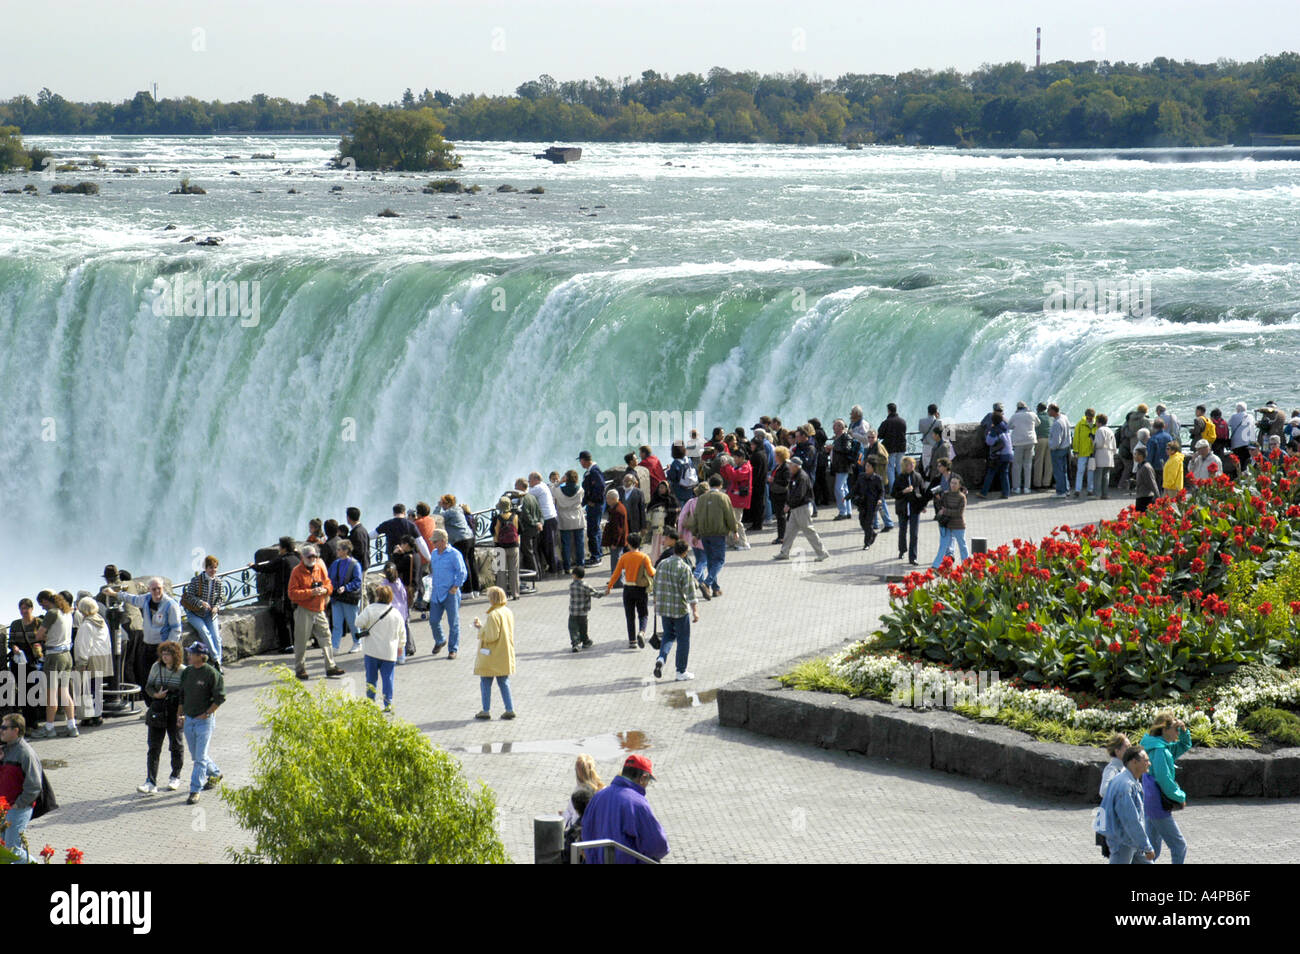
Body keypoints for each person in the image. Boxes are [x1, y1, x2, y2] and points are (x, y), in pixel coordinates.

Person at [581, 754, 669, 864]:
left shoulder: (598, 797)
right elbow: (658, 845)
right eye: (648, 782)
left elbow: (586, 831)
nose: (647, 785)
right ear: (643, 778)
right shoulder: (637, 803)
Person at [287, 545, 345, 681]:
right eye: (309, 557)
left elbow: (328, 584)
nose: (312, 559)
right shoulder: (297, 571)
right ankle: (300, 669)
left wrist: (325, 590)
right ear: (303, 558)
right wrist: (310, 592)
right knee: (301, 641)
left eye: (314, 556)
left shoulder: (319, 567)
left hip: (319, 609)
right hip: (304, 610)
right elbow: (292, 594)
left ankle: (330, 667)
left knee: (326, 637)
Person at [1139, 713, 1191, 864]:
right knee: (1179, 846)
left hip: (1150, 801)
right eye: (1175, 728)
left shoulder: (1159, 746)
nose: (1177, 732)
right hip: (1157, 804)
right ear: (1164, 729)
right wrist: (1180, 796)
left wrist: (1183, 730)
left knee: (1152, 848)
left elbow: (1184, 745)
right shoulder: (1161, 751)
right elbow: (1163, 779)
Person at [177, 641, 224, 805]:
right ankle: (215, 773)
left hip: (204, 721)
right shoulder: (187, 672)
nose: (188, 656)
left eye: (191, 653)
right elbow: (182, 694)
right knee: (197, 755)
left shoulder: (211, 674)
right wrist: (180, 714)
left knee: (199, 758)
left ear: (200, 656)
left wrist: (207, 713)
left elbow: (220, 697)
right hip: (189, 719)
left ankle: (195, 790)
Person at [139, 640, 185, 794]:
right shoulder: (156, 667)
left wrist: (182, 713)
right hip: (158, 710)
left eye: (168, 654)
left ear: (175, 655)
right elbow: (148, 686)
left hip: (175, 711)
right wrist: (155, 695)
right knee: (154, 747)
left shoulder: (183, 671)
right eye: (163, 654)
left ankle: (175, 776)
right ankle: (150, 781)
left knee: (176, 745)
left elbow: (185, 694)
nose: (165, 657)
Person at [31, 591, 77, 739]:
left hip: (54, 657)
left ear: (46, 601)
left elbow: (38, 636)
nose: (42, 608)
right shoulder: (67, 612)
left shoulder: (52, 613)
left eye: (41, 604)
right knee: (64, 692)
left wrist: (45, 635)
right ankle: (72, 726)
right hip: (67, 655)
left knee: (51, 695)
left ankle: (49, 728)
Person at [653, 540, 700, 681]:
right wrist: (695, 611)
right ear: (685, 552)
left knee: (668, 635)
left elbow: (655, 585)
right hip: (679, 609)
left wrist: (656, 602)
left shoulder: (662, 564)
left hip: (664, 608)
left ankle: (661, 658)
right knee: (683, 639)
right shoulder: (684, 568)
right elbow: (690, 592)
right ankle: (681, 671)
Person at [1100, 745, 1156, 864]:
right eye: (1146, 760)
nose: (1149, 763)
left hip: (1131, 840)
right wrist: (1147, 846)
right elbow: (1131, 820)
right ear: (1134, 762)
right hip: (1123, 842)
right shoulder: (1126, 786)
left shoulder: (1128, 780)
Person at [0, 714, 43, 863]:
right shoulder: (4, 750)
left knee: (13, 851)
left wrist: (18, 805)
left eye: (5, 727)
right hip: (4, 808)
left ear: (16, 730)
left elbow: (34, 785)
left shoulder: (25, 753)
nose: (1, 730)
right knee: (3, 850)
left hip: (18, 809)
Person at [355, 584, 403, 712]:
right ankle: (388, 703)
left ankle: (370, 702)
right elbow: (402, 633)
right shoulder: (396, 613)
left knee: (371, 678)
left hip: (372, 651)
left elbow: (358, 622)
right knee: (388, 679)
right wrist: (401, 646)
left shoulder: (370, 609)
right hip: (389, 652)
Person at [688, 475, 738, 598]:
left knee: (711, 561)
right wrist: (734, 530)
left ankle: (715, 588)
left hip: (704, 534)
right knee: (719, 560)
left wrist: (695, 534)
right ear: (721, 485)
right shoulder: (723, 497)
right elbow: (729, 515)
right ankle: (707, 582)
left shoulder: (702, 498)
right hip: (718, 533)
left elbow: (697, 517)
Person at [773, 457, 830, 563]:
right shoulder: (795, 476)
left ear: (796, 466)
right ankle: (784, 552)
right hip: (796, 508)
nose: (789, 467)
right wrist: (789, 504)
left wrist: (788, 505)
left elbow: (799, 494)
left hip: (802, 508)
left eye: (790, 465)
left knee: (809, 531)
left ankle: (822, 553)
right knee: (789, 531)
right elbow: (793, 493)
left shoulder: (802, 477)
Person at [472, 587, 516, 720]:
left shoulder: (493, 615)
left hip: (491, 655)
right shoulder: (507, 611)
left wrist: (480, 632)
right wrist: (482, 627)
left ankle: (485, 710)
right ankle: (509, 708)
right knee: (504, 681)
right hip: (504, 652)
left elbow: (491, 636)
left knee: (485, 682)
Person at [249, 537, 298, 653]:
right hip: (294, 595)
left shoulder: (282, 560)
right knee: (292, 620)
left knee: (282, 621)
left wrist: (253, 566)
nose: (279, 549)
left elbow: (267, 567)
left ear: (284, 548)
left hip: (282, 595)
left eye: (280, 547)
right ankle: (296, 643)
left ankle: (287, 646)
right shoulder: (296, 559)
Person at [607, 533, 654, 649]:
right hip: (641, 589)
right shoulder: (644, 557)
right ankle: (642, 632)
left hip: (628, 589)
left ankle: (632, 641)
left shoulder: (624, 557)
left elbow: (616, 573)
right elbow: (651, 573)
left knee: (630, 615)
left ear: (628, 544)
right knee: (643, 613)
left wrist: (609, 587)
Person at [427, 529, 468, 659]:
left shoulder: (454, 554)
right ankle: (440, 640)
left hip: (450, 593)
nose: (433, 543)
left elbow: (462, 572)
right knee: (433, 620)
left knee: (453, 622)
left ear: (443, 541)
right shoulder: (434, 553)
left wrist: (455, 587)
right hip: (436, 592)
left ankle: (453, 649)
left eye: (435, 541)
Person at [72, 597, 112, 727]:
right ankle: (97, 715)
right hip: (103, 657)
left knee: (88, 689)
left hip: (91, 659)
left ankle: (89, 716)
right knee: (97, 688)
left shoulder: (86, 625)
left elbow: (83, 645)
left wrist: (81, 662)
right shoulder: (101, 621)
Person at [181, 555, 223, 668]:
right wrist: (201, 603)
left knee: (217, 638)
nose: (213, 570)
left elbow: (220, 598)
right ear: (205, 568)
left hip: (210, 615)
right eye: (210, 568)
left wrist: (216, 607)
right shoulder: (196, 581)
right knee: (205, 632)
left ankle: (218, 663)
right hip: (195, 614)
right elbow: (189, 596)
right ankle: (216, 660)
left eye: (215, 567)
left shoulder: (218, 582)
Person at [1095, 733, 1131, 858]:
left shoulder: (1126, 768)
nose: (1130, 749)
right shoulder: (1112, 769)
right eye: (1127, 747)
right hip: (1114, 823)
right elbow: (1103, 791)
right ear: (1117, 751)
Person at [437, 495, 480, 597]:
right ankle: (476, 590)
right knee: (471, 563)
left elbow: (436, 517)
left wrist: (437, 507)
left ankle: (467, 591)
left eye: (442, 503)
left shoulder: (449, 512)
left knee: (464, 564)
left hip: (460, 540)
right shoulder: (458, 509)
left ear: (447, 504)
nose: (441, 504)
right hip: (470, 537)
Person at [327, 539, 364, 654]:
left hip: (349, 598)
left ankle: (357, 643)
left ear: (346, 550)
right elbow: (329, 578)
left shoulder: (355, 564)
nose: (337, 551)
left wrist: (346, 587)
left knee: (353, 623)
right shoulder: (335, 563)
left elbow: (357, 581)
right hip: (337, 598)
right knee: (336, 624)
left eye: (339, 549)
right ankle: (335, 646)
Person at [892, 456, 928, 565]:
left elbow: (923, 492)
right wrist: (904, 491)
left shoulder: (917, 476)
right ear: (904, 466)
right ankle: (902, 550)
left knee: (914, 533)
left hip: (914, 508)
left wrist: (923, 505)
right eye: (908, 464)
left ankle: (913, 557)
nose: (911, 466)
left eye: (912, 464)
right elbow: (894, 493)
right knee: (902, 531)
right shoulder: (899, 477)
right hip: (903, 508)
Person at [931, 473, 969, 568]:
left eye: (955, 483)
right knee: (943, 546)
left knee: (962, 546)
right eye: (952, 483)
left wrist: (945, 511)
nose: (953, 485)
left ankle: (966, 566)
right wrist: (938, 499)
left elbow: (959, 513)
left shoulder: (962, 497)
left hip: (958, 525)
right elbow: (941, 506)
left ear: (960, 485)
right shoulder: (946, 494)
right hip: (946, 524)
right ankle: (936, 565)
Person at [526, 472, 560, 575]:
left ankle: (554, 568)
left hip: (548, 519)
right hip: (551, 517)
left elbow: (525, 494)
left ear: (536, 480)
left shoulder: (538, 488)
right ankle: (554, 567)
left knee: (549, 545)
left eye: (529, 480)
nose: (528, 483)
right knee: (548, 544)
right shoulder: (543, 485)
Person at [553, 471, 587, 572]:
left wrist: (559, 482)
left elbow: (551, 489)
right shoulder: (580, 490)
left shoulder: (559, 490)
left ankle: (567, 567)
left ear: (566, 478)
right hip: (577, 517)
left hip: (564, 518)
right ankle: (580, 564)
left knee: (566, 544)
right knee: (579, 543)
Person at [720, 450, 752, 549]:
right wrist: (723, 467)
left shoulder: (746, 467)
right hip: (733, 497)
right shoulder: (738, 467)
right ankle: (731, 542)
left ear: (741, 457)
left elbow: (735, 476)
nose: (734, 459)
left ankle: (744, 543)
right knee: (730, 520)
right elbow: (729, 476)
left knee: (736, 521)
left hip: (739, 498)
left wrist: (727, 466)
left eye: (736, 457)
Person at [579, 451, 607, 565]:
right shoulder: (593, 470)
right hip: (597, 505)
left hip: (595, 505)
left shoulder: (594, 471)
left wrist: (591, 501)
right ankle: (598, 554)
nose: (580, 463)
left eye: (580, 461)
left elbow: (600, 488)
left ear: (584, 460)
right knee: (596, 530)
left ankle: (595, 557)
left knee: (593, 531)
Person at [492, 497, 522, 600]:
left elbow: (492, 531)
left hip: (500, 547)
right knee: (514, 571)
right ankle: (515, 594)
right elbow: (520, 531)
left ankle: (502, 595)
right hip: (514, 547)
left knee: (501, 572)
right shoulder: (515, 516)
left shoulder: (497, 518)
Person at [851, 457, 884, 550]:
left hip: (873, 505)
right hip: (863, 503)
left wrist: (880, 499)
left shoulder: (878, 479)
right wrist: (848, 496)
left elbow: (881, 491)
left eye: (869, 466)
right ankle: (872, 534)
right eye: (866, 466)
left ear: (873, 468)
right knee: (862, 522)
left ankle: (867, 543)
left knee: (869, 523)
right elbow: (855, 488)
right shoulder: (861, 476)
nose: (866, 467)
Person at [567, 566, 602, 652]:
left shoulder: (571, 585)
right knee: (583, 627)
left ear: (575, 575)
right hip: (583, 611)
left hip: (573, 611)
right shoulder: (586, 586)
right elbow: (595, 594)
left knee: (573, 628)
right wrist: (604, 593)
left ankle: (575, 644)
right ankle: (585, 641)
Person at [381, 563, 412, 661]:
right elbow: (404, 597)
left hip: (390, 612)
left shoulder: (384, 584)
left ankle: (390, 656)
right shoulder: (399, 583)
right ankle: (401, 657)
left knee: (391, 636)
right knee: (400, 637)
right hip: (401, 612)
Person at [980, 412, 1013, 499]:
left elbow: (989, 442)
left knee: (991, 473)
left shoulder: (995, 430)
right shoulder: (1006, 428)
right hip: (1009, 454)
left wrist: (989, 432)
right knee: (1004, 474)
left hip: (999, 455)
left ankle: (983, 493)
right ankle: (1006, 493)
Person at [829, 418, 858, 519]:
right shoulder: (838, 437)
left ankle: (843, 512)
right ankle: (848, 511)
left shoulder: (845, 437)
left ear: (841, 427)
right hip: (839, 466)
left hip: (843, 466)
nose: (833, 427)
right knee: (844, 489)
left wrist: (833, 448)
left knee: (838, 488)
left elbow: (847, 449)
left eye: (835, 425)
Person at [646, 480, 678, 563]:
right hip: (657, 530)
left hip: (666, 530)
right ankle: (655, 564)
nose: (661, 489)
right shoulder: (655, 499)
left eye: (663, 488)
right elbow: (649, 512)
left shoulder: (672, 500)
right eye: (660, 487)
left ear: (667, 489)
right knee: (656, 548)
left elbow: (675, 513)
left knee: (665, 548)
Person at [1009, 401, 1037, 494]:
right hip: (1030, 441)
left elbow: (1009, 426)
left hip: (1019, 442)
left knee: (1017, 465)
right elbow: (1038, 423)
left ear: (1017, 408)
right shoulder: (1032, 414)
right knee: (1028, 465)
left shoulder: (1015, 416)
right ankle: (1027, 488)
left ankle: (1016, 488)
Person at [600, 489, 628, 581]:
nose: (607, 501)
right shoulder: (618, 508)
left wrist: (614, 543)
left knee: (616, 561)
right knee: (616, 560)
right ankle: (615, 579)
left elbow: (618, 529)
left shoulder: (617, 511)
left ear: (614, 499)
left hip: (617, 541)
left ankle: (617, 580)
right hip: (618, 540)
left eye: (608, 499)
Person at [769, 445, 793, 545]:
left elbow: (786, 482)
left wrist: (774, 480)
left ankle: (781, 537)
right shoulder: (778, 466)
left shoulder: (785, 467)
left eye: (776, 455)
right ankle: (782, 536)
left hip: (781, 494)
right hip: (776, 493)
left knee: (781, 516)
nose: (774, 456)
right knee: (779, 516)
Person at [1072, 408, 1098, 497]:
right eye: (1088, 418)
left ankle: (1090, 489)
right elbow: (1076, 438)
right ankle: (1077, 490)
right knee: (1080, 471)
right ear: (1086, 416)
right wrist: (1075, 450)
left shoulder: (1096, 424)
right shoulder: (1080, 424)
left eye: (1091, 418)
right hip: (1082, 452)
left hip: (1092, 452)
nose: (1090, 420)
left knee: (1091, 471)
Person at [1048, 404, 1072, 497]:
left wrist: (1051, 447)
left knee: (1058, 471)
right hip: (1066, 447)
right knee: (1064, 470)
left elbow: (1056, 441)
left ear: (1053, 411)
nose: (1048, 412)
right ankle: (1066, 489)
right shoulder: (1064, 418)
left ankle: (1060, 492)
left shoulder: (1057, 423)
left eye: (1049, 410)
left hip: (1058, 450)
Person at [1092, 414, 1117, 500]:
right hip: (1109, 454)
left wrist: (1093, 442)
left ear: (1099, 422)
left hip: (1101, 453)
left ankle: (1097, 494)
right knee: (1106, 475)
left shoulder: (1100, 430)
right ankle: (1105, 493)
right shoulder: (1110, 430)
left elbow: (1099, 443)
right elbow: (1114, 445)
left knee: (1098, 475)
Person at [1227, 401, 1256, 472]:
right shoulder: (1251, 416)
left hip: (1237, 444)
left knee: (1238, 462)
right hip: (1248, 443)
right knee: (1247, 462)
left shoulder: (1233, 417)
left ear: (1237, 410)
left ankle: (1239, 476)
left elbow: (1228, 424)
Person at [1146, 419, 1172, 491]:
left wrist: (1148, 465)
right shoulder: (1169, 437)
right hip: (1167, 464)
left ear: (1154, 427)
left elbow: (1150, 454)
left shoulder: (1153, 439)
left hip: (1156, 465)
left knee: (1157, 487)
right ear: (1164, 426)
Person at [917, 404, 941, 477]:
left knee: (926, 465)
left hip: (926, 446)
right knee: (937, 464)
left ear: (928, 412)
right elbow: (940, 431)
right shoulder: (939, 422)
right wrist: (938, 418)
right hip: (935, 445)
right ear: (936, 412)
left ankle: (928, 479)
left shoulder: (921, 421)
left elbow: (921, 430)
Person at [621, 474, 646, 543]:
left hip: (634, 522)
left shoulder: (639, 493)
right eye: (624, 481)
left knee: (634, 541)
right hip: (623, 521)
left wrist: (643, 526)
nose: (625, 483)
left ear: (633, 482)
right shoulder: (620, 491)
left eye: (628, 481)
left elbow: (642, 510)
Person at [1133, 447, 1158, 513]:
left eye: (1136, 454)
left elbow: (1152, 483)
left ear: (1140, 456)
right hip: (1140, 496)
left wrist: (1157, 498)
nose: (1134, 456)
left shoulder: (1146, 467)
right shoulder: (1139, 465)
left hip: (1146, 498)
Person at [346, 507, 371, 572]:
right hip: (363, 564)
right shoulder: (362, 529)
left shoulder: (357, 532)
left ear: (348, 518)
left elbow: (360, 552)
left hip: (360, 567)